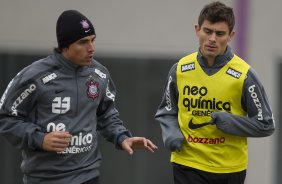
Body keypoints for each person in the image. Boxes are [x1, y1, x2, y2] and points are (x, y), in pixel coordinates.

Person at [0, 10, 157, 184]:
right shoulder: (34, 76)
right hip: (45, 178)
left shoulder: (99, 74)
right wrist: (40, 139)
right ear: (64, 46)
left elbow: (106, 115)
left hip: (88, 175)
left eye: (93, 40)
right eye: (83, 42)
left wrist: (122, 137)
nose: (92, 48)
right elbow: (6, 117)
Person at [155, 1, 275, 184]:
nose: (212, 39)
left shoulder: (244, 75)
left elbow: (266, 124)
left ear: (231, 36)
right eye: (207, 31)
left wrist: (230, 121)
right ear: (197, 30)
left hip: (230, 169)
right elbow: (166, 111)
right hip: (188, 163)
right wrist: (171, 133)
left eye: (220, 33)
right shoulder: (179, 69)